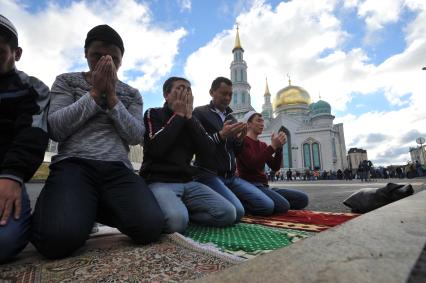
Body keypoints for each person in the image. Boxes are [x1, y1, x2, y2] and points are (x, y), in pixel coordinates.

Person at [31, 25, 164, 259]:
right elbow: (56, 129)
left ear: (122, 61)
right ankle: (76, 207)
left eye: (114, 58)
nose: (106, 62)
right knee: (56, 240)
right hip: (74, 164)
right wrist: (94, 94)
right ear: (85, 54)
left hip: (116, 168)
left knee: (150, 227)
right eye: (97, 56)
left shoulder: (131, 94)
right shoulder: (66, 81)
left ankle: (86, 207)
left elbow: (135, 135)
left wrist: (112, 98)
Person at [140, 77, 236, 233]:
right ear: (166, 94)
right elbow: (156, 148)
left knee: (228, 213)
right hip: (160, 181)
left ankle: (186, 213)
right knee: (177, 223)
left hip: (188, 182)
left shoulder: (193, 120)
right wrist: (178, 116)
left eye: (188, 89)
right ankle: (176, 213)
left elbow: (208, 151)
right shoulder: (153, 113)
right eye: (180, 88)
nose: (185, 92)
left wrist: (189, 118)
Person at [0, 15, 50, 263]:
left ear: (16, 53)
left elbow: (33, 132)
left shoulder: (33, 88)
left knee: (5, 242)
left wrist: (12, 174)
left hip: (6, 177)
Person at [193, 77, 275, 218]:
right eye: (223, 93)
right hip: (210, 175)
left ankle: (229, 199)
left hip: (231, 177)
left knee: (267, 206)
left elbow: (235, 152)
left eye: (230, 94)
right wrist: (221, 135)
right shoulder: (200, 113)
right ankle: (197, 209)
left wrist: (240, 139)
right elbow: (198, 146)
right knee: (237, 212)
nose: (227, 98)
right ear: (212, 92)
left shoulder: (232, 119)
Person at [236, 111, 308, 213]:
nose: (262, 124)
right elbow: (252, 164)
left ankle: (267, 199)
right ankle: (244, 201)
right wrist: (273, 146)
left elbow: (275, 167)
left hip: (264, 187)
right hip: (250, 186)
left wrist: (278, 148)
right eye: (258, 121)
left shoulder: (263, 145)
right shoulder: (243, 142)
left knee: (303, 198)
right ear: (249, 124)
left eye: (263, 121)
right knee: (283, 206)